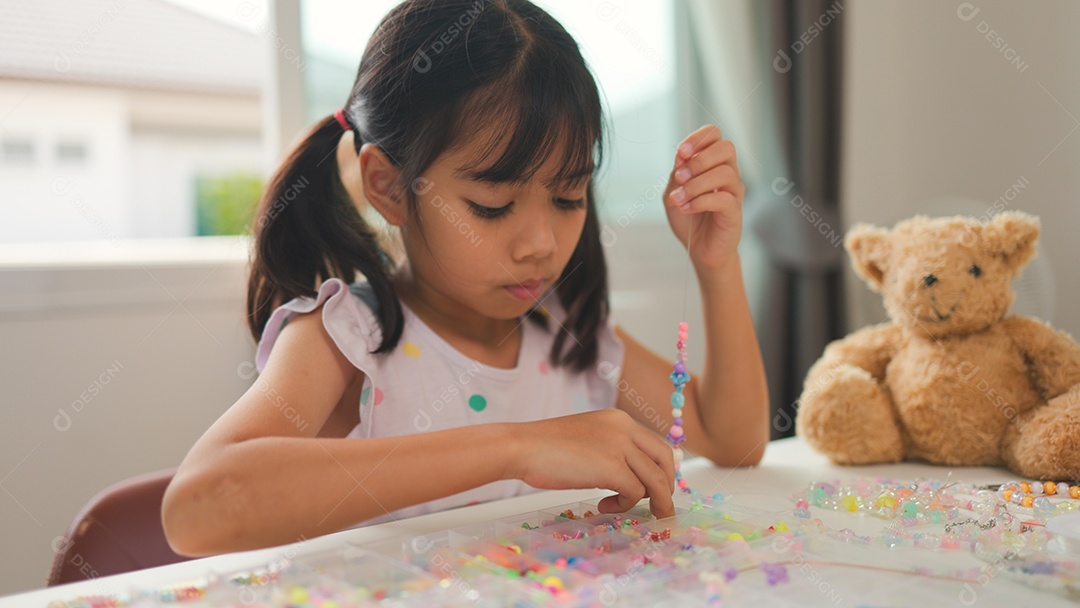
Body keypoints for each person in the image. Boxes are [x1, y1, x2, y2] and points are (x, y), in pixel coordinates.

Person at [162, 0, 767, 557]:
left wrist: (716, 264)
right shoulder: (349, 339)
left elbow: (733, 440)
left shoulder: (568, 336)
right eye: (491, 206)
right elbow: (197, 508)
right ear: (388, 187)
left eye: (568, 197)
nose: (541, 244)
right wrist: (519, 447)